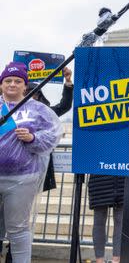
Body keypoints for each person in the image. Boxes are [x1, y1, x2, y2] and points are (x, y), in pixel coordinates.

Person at [0, 62, 63, 263]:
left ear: (25, 85)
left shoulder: (38, 109)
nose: (12, 84)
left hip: (22, 178)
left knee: (18, 229)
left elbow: (53, 135)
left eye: (18, 81)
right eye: (7, 80)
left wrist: (32, 138)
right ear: (1, 84)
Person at [87, 175, 124, 263]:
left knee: (100, 222)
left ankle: (101, 260)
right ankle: (116, 260)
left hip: (100, 178)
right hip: (120, 176)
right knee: (119, 222)